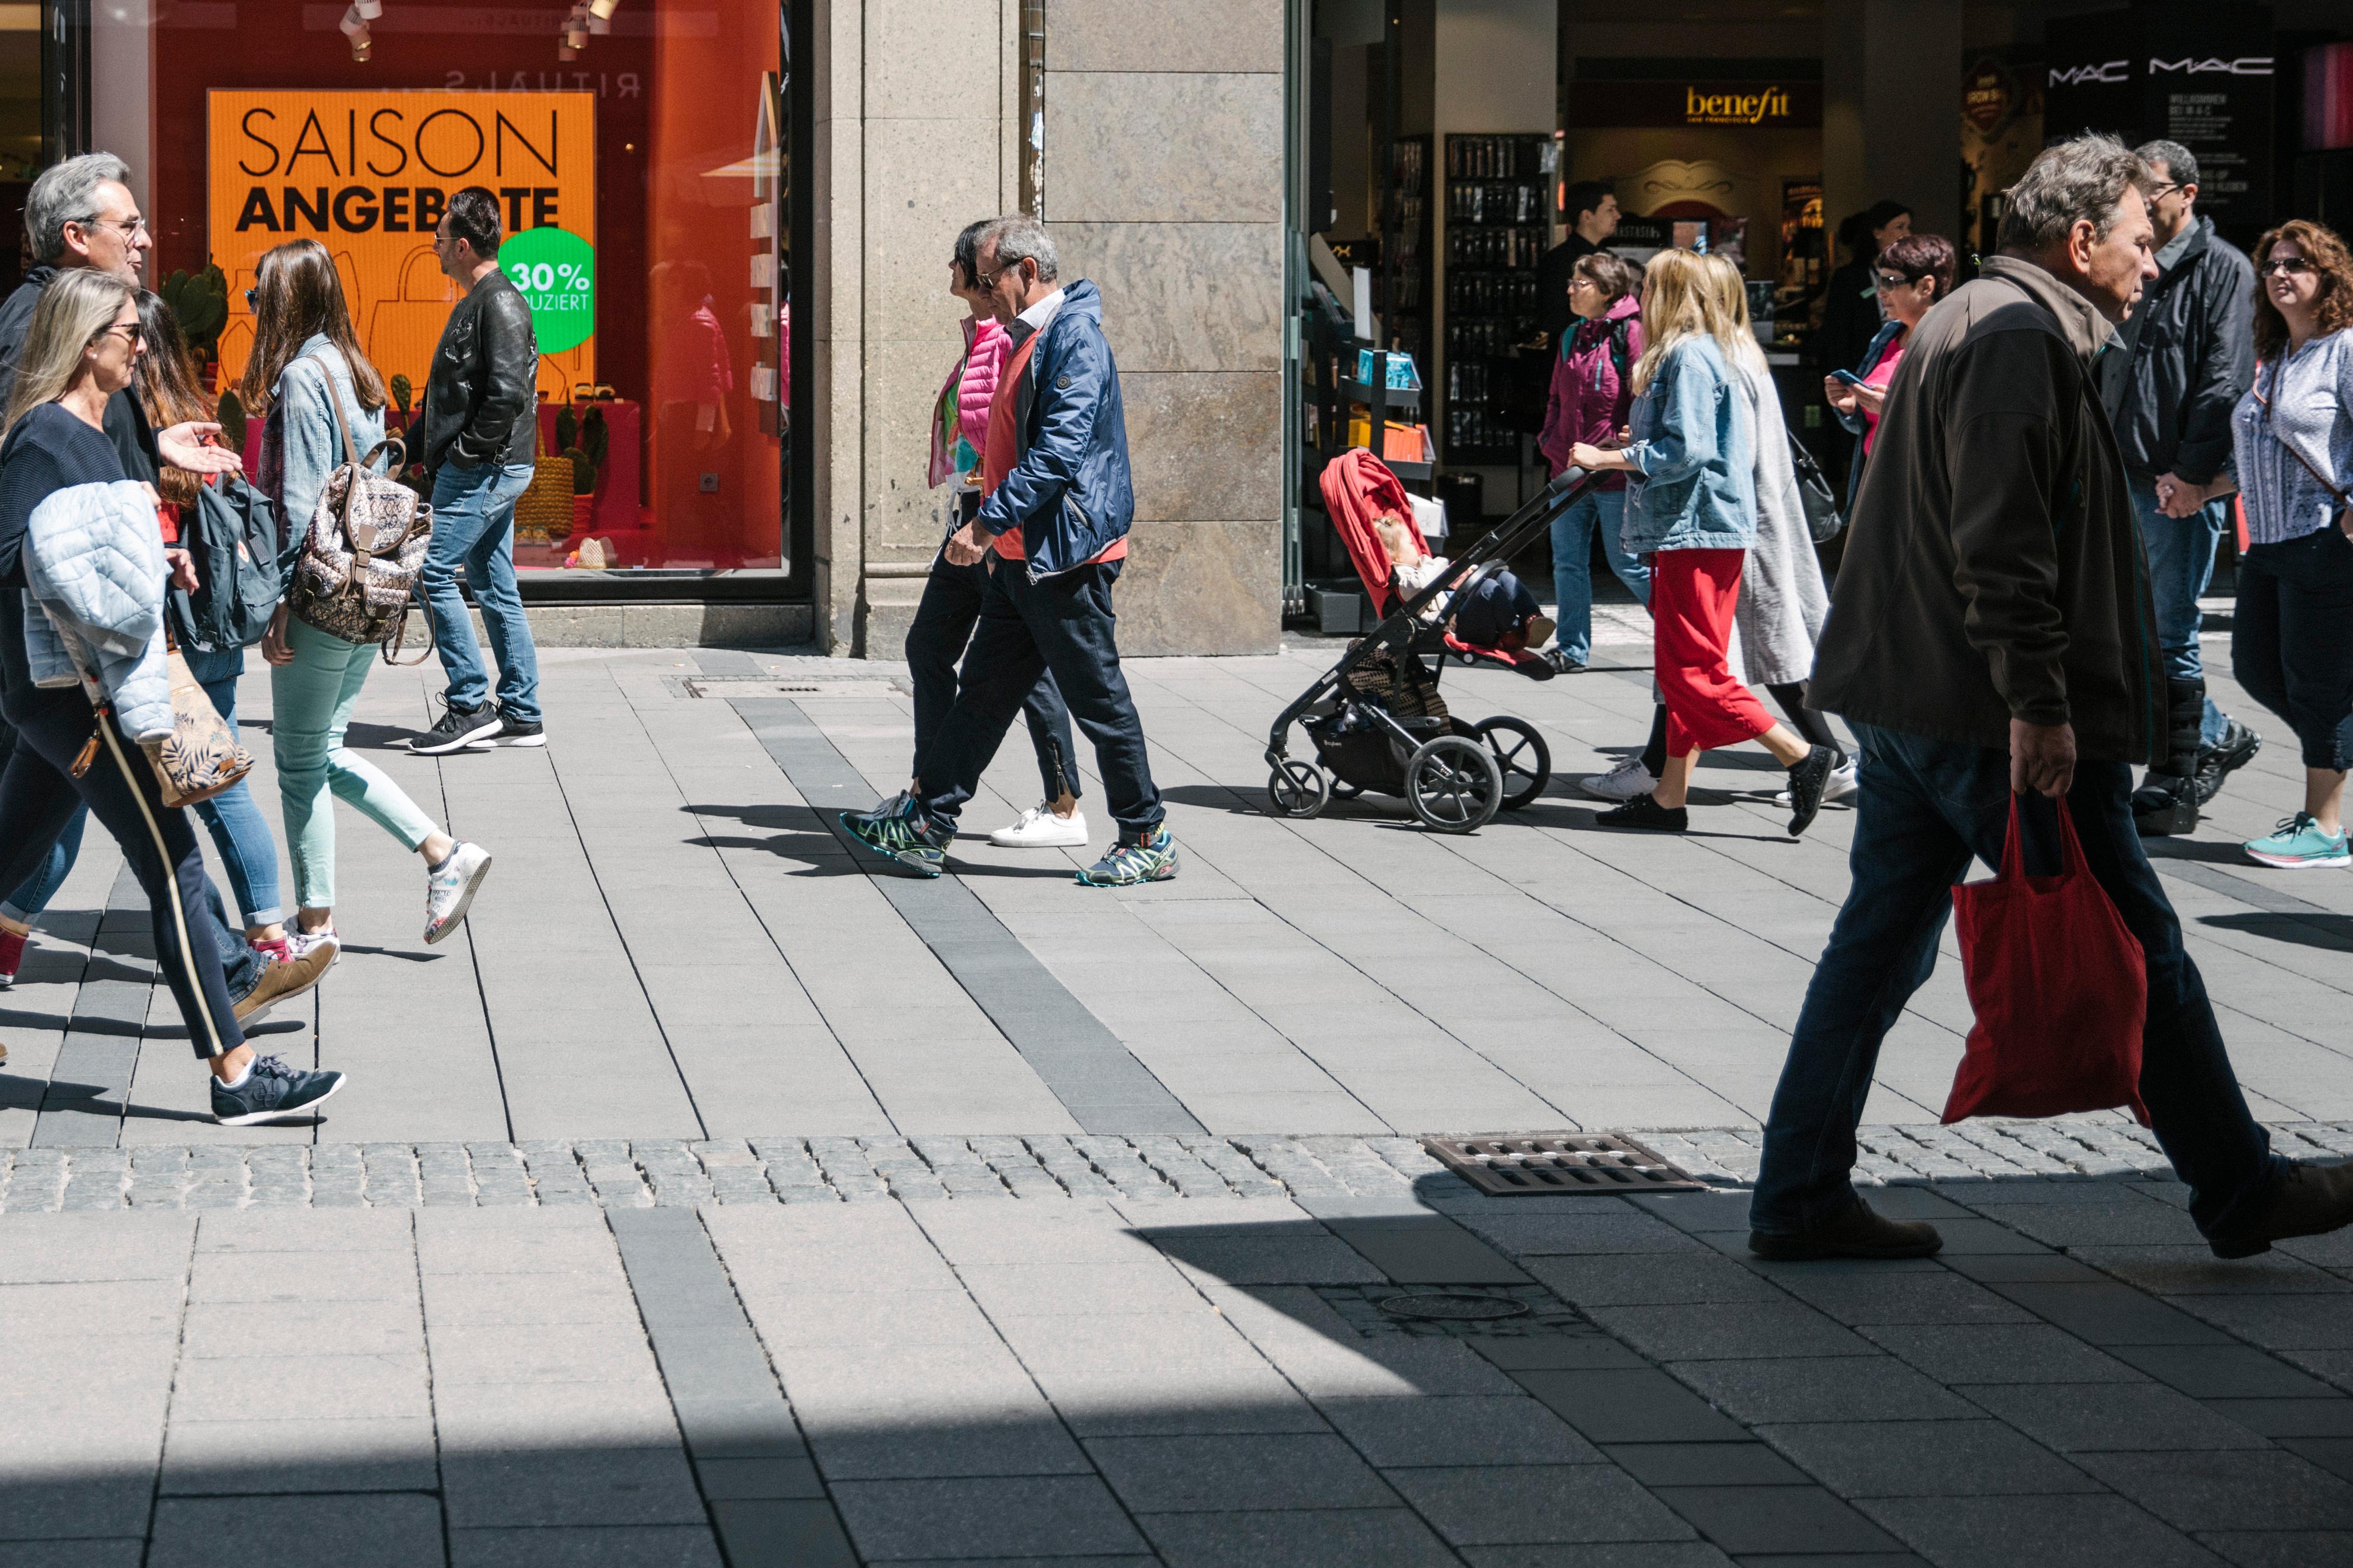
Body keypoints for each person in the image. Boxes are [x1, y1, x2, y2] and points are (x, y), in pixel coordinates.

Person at [1749, 135, 2353, 1263]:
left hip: (1915, 688)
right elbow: (2002, 541)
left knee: (1877, 944)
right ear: (2079, 241)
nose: (2153, 263)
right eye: (2137, 239)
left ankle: (1797, 1191)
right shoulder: (2019, 334)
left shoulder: (1980, 314)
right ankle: (2238, 1186)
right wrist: (2038, 702)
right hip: (1979, 707)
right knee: (2135, 934)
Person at [0, 268, 342, 1124]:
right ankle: (236, 1075)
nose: (143, 344)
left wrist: (162, 553)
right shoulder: (39, 437)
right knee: (174, 861)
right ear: (87, 345)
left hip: (84, 683)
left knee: (7, 859)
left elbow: (106, 533)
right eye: (127, 332)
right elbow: (16, 555)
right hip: (71, 693)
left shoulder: (100, 425)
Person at [841, 214, 1176, 887]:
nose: (984, 292)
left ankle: (1146, 833)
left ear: (1028, 272)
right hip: (1023, 560)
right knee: (982, 699)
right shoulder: (1031, 336)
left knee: (1099, 702)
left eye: (991, 280)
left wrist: (986, 524)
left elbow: (1058, 453)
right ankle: (928, 823)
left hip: (1065, 558)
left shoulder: (1072, 338)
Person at [0, 152, 253, 990]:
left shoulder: (89, 316)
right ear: (76, 238)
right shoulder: (34, 323)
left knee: (43, 825)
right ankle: (235, 985)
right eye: (128, 225)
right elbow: (28, 477)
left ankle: (232, 970)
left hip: (78, 647)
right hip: (61, 649)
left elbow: (88, 459)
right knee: (156, 833)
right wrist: (126, 540)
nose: (146, 240)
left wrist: (157, 468)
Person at [247, 238, 496, 946]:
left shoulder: (301, 378)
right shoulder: (354, 371)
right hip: (370, 586)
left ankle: (317, 924)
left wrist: (278, 607)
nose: (253, 307)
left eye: (260, 294)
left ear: (287, 298)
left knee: (299, 762)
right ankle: (443, 857)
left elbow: (299, 505)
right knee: (320, 751)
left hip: (321, 590)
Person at [1567, 247, 1838, 836]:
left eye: (1649, 290)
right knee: (1685, 666)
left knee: (1690, 671)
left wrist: (1609, 456)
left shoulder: (1688, 356)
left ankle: (1799, 753)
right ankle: (1669, 797)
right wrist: (1638, 437)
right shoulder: (1708, 352)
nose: (1639, 302)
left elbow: (1685, 450)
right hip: (1699, 528)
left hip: (1693, 529)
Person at [903, 218, 1088, 850]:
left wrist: (987, 522)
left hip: (990, 521)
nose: (955, 278)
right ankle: (927, 791)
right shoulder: (984, 335)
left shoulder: (1001, 338)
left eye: (965, 269)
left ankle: (1063, 803)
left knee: (1024, 667)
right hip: (974, 517)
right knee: (930, 647)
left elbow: (997, 438)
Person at [2096, 139, 2263, 836]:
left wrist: (2194, 475)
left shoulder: (2221, 270)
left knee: (2167, 631)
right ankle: (2212, 735)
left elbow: (2225, 376)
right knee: (2123, 629)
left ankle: (2171, 777)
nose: (2138, 201)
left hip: (2172, 482)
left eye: (2150, 190)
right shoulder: (2131, 259)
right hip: (2116, 469)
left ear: (2187, 195)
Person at [2224, 220, 2353, 871]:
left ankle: (2324, 829)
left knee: (2316, 682)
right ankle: (2338, 741)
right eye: (2272, 264)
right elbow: (2260, 445)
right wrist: (2197, 486)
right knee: (2254, 667)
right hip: (2267, 542)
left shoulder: (2344, 350)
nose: (2280, 273)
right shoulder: (2275, 358)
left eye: (2297, 264)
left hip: (2322, 540)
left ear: (2326, 278)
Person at [1703, 253, 1850, 804]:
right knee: (1734, 649)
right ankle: (1658, 769)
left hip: (1741, 524)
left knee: (1758, 647)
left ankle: (1821, 755)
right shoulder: (1740, 352)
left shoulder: (1722, 358)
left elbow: (1723, 452)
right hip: (1754, 518)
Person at [408, 186, 543, 755]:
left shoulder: (499, 303)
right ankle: (522, 712)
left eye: (439, 240)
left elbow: (505, 396)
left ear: (462, 246)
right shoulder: (483, 298)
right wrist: (415, 446)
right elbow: (462, 392)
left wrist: (463, 456)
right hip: (488, 466)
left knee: (432, 572)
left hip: (486, 469)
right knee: (492, 581)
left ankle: (469, 702)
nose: (435, 249)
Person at [1537, 249, 1649, 674]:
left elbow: (1644, 397)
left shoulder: (1631, 333)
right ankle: (1572, 648)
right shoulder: (1571, 335)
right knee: (1567, 562)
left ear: (1606, 290)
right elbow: (1555, 397)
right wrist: (1551, 442)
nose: (1570, 289)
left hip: (1614, 470)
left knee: (1626, 564)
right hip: (1567, 466)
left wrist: (1624, 446)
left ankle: (1679, 634)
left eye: (1579, 283)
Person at [1825, 232, 1954, 509]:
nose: (1881, 291)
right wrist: (1850, 406)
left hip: (1919, 491)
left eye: (1891, 282)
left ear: (1926, 286)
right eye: (1880, 280)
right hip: (1877, 478)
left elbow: (1954, 425)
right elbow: (1867, 423)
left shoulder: (1950, 343)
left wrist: (1894, 409)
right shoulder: (1887, 336)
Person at [1818, 201, 1912, 397]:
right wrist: (1844, 380)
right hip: (1861, 368)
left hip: (1901, 362)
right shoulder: (1849, 277)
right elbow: (1837, 334)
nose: (1907, 234)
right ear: (1877, 232)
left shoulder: (1911, 274)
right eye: (1899, 227)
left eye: (1908, 227)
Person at [1538, 182, 1622, 349]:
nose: (1618, 216)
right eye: (1610, 209)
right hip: (1570, 356)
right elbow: (1550, 319)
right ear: (1587, 216)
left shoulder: (1611, 259)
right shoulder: (1557, 261)